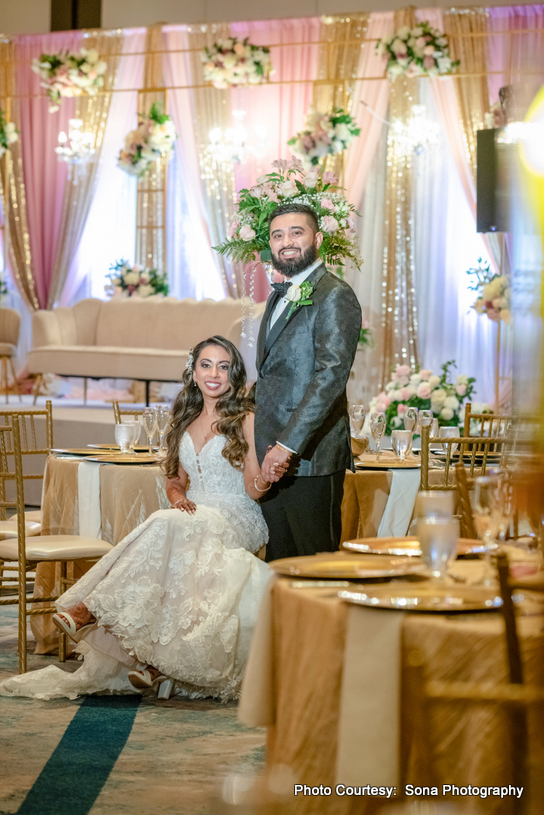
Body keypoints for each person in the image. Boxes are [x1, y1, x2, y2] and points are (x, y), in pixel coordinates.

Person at [0, 336, 272, 701]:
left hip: (237, 513)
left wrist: (267, 476)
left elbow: (254, 490)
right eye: (206, 365)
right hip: (193, 513)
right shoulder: (183, 418)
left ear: (233, 374)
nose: (214, 374)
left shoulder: (245, 419)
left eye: (223, 367)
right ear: (193, 372)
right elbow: (175, 482)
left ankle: (90, 609)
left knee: (165, 524)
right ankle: (156, 663)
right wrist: (177, 500)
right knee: (173, 536)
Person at [254, 202, 362, 562]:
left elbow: (330, 377)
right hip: (270, 454)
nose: (286, 241)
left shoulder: (334, 294)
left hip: (309, 458)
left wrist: (287, 446)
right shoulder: (277, 295)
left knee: (316, 567)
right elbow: (271, 376)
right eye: (277, 235)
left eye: (295, 233)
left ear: (317, 238)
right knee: (279, 564)